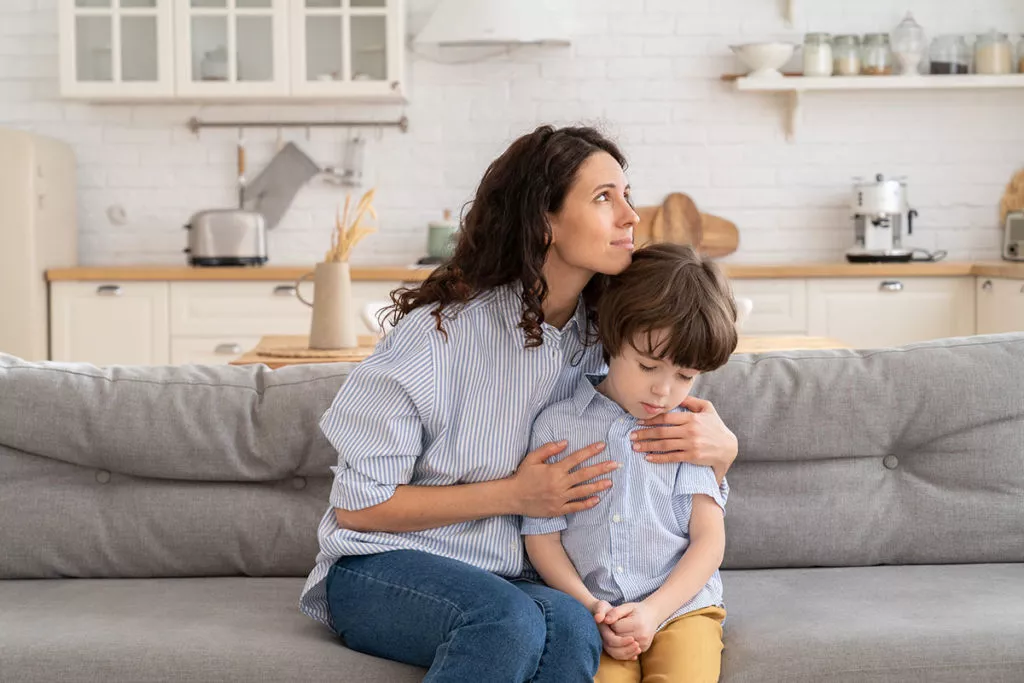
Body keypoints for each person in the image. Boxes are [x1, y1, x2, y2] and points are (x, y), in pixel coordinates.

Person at [298, 125, 739, 683]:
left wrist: (722, 451)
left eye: (627, 194)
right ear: (544, 220)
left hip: (511, 575)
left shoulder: (602, 339)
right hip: (381, 567)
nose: (630, 216)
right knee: (506, 621)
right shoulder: (437, 335)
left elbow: (662, 410)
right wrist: (514, 494)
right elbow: (359, 508)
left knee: (574, 628)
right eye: (604, 198)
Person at [523, 243, 738, 683]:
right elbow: (542, 538)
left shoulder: (688, 432)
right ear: (610, 336)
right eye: (647, 365)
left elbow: (708, 541)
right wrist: (588, 607)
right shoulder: (556, 426)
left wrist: (654, 611)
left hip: (681, 610)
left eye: (684, 375)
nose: (664, 391)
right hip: (593, 615)